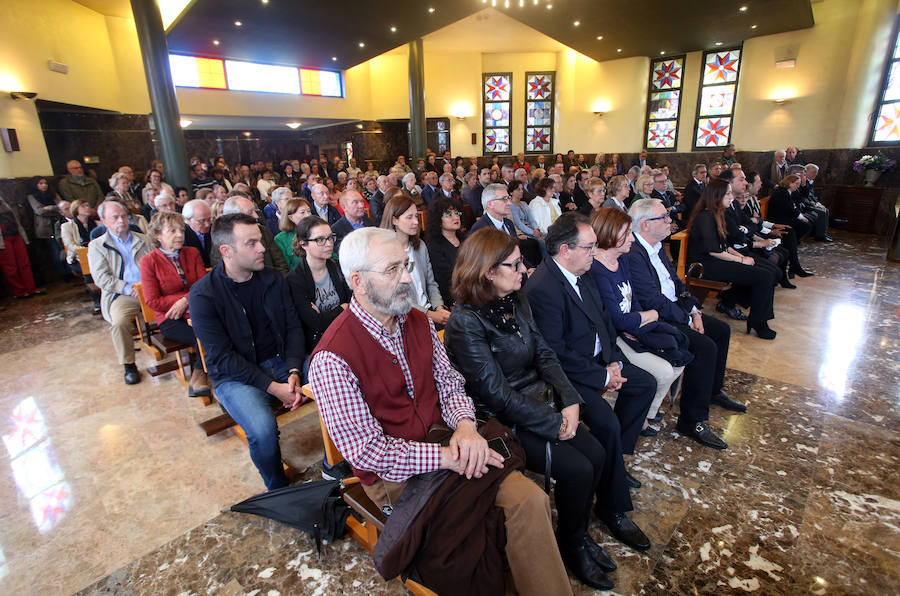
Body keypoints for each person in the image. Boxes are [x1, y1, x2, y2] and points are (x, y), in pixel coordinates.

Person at [309, 227, 574, 596]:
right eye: (392, 270)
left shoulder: (416, 320)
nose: (406, 278)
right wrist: (447, 456)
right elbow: (368, 452)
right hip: (397, 478)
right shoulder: (332, 358)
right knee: (471, 542)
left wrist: (466, 427)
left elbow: (450, 384)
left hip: (447, 442)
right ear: (358, 282)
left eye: (406, 265)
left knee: (531, 501)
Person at [444, 228, 616, 591]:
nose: (525, 270)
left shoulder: (515, 298)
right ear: (489, 271)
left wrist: (569, 400)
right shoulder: (465, 321)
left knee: (597, 453)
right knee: (577, 469)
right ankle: (571, 545)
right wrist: (554, 423)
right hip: (502, 419)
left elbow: (543, 351)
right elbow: (496, 393)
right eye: (516, 264)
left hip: (540, 400)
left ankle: (578, 535)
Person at [524, 212, 653, 552]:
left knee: (644, 384)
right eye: (590, 247)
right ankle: (613, 510)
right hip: (567, 375)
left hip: (596, 361)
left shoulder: (583, 272)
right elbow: (555, 353)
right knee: (606, 423)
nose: (595, 253)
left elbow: (604, 320)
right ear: (566, 250)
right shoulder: (543, 288)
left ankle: (614, 464)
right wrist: (600, 377)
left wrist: (611, 361)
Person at [189, 213, 306, 490]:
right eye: (251, 243)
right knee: (263, 431)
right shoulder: (204, 294)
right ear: (226, 251)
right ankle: (278, 490)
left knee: (338, 382)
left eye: (260, 241)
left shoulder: (273, 279)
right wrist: (273, 388)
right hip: (236, 376)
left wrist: (293, 370)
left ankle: (336, 464)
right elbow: (222, 358)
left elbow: (293, 328)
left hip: (281, 361)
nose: (262, 247)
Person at [588, 207, 687, 437]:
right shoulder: (597, 269)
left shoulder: (621, 261)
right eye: (627, 233)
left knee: (679, 356)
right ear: (611, 234)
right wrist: (649, 315)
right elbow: (618, 319)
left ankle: (645, 414)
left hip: (633, 329)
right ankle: (639, 418)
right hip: (616, 336)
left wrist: (641, 320)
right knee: (661, 372)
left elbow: (633, 303)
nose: (633, 238)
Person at [686, 179, 778, 340]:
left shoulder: (716, 214)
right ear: (717, 196)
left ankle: (733, 302)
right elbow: (713, 251)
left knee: (768, 271)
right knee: (764, 276)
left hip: (716, 260)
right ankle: (758, 321)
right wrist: (741, 261)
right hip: (704, 265)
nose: (731, 197)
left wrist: (742, 256)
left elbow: (724, 245)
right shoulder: (705, 217)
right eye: (728, 194)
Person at [138, 211, 209, 397]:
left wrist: (185, 300)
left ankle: (209, 371)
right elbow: (152, 300)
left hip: (197, 309)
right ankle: (200, 374)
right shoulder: (148, 262)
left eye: (181, 230)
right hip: (171, 317)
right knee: (203, 334)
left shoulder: (192, 253)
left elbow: (202, 286)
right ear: (157, 235)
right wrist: (180, 302)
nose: (179, 235)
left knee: (220, 327)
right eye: (172, 231)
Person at [87, 201, 152, 384]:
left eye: (123, 216)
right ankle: (129, 364)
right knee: (119, 323)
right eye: (115, 217)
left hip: (150, 290)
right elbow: (102, 278)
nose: (121, 220)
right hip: (124, 294)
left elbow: (157, 265)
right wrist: (127, 288)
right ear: (104, 221)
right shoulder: (97, 246)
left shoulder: (144, 239)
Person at [379, 193, 450, 327]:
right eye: (409, 217)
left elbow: (431, 283)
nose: (416, 222)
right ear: (394, 220)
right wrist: (430, 315)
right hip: (404, 317)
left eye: (416, 216)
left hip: (429, 311)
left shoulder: (420, 246)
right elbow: (395, 295)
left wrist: (439, 308)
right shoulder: (386, 253)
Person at [285, 216, 351, 357]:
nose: (328, 244)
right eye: (320, 240)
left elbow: (354, 305)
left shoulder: (337, 266)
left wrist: (328, 315)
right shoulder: (295, 279)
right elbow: (316, 323)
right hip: (321, 342)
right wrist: (342, 307)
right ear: (303, 244)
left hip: (346, 331)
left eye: (330, 237)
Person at [212, 196, 290, 274]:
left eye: (255, 211)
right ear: (234, 216)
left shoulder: (263, 231)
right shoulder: (222, 241)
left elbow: (280, 263)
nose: (256, 216)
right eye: (250, 212)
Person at [424, 197, 465, 307]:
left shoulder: (465, 240)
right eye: (449, 215)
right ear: (438, 220)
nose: (456, 217)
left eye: (457, 213)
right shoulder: (434, 247)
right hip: (454, 300)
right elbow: (442, 282)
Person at [0, 194, 43, 299]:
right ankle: (19, 292)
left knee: (25, 263)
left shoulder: (4, 201)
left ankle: (31, 288)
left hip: (15, 234)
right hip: (3, 238)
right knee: (10, 267)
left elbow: (16, 220)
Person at [26, 176, 68, 280]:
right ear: (35, 185)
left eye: (45, 183)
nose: (44, 185)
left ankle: (70, 270)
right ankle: (63, 273)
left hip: (59, 223)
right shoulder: (32, 197)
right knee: (54, 251)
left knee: (64, 248)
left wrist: (49, 208)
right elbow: (39, 211)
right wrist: (52, 209)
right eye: (41, 183)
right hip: (45, 228)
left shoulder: (53, 195)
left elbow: (61, 208)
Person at [273, 198, 313, 270]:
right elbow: (283, 267)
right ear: (291, 217)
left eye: (309, 211)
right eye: (302, 212)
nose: (308, 215)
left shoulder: (318, 232)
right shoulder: (281, 239)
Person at [181, 199, 213, 268]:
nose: (207, 224)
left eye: (209, 219)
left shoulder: (214, 229)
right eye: (202, 221)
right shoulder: (182, 236)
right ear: (188, 219)